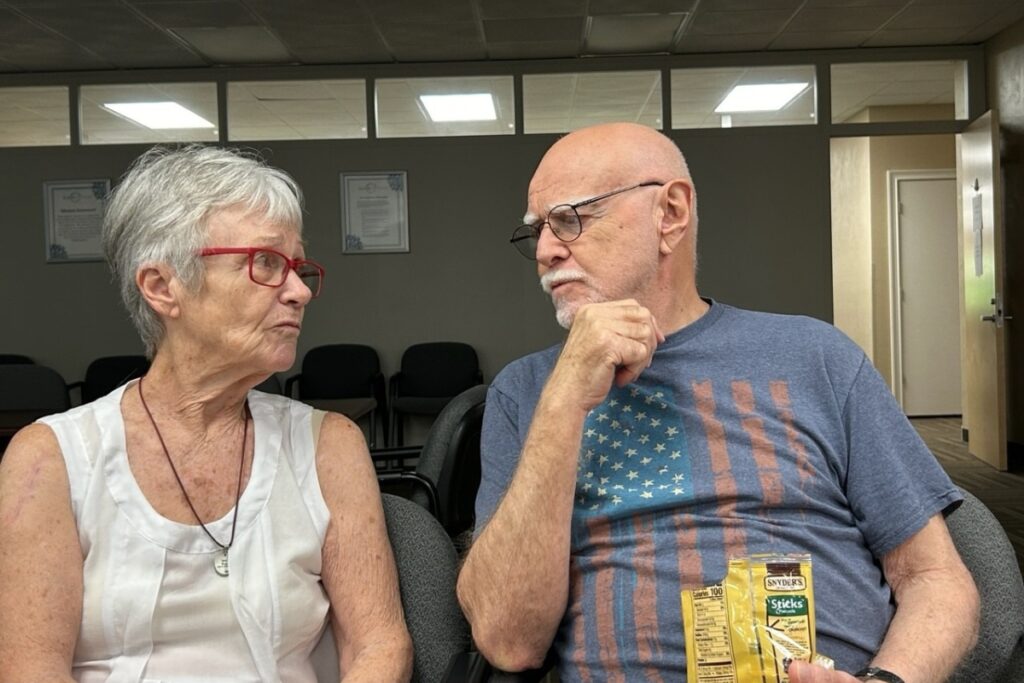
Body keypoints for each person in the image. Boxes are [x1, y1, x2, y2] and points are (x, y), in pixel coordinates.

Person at [456, 122, 979, 683]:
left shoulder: (814, 357)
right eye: (536, 230)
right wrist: (563, 399)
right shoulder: (525, 391)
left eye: (568, 219)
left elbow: (934, 577)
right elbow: (508, 641)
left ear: (670, 213)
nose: (544, 250)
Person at [0, 146, 412, 682]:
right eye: (267, 262)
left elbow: (379, 647)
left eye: (297, 267)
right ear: (162, 287)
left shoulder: (328, 444)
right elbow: (32, 670)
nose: (299, 292)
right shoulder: (51, 459)